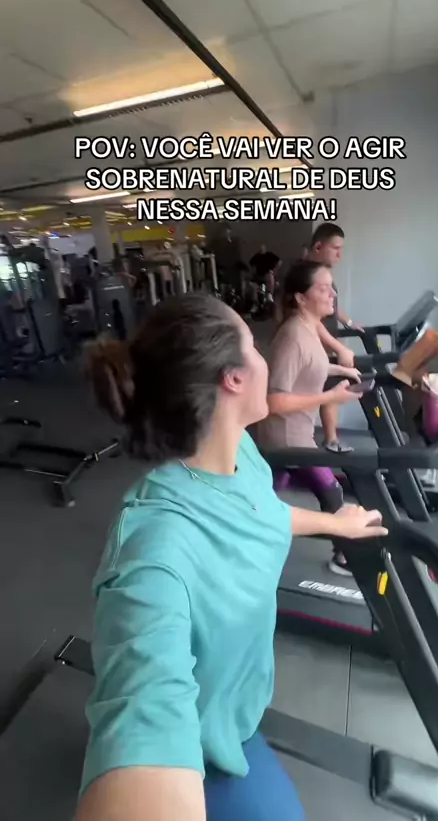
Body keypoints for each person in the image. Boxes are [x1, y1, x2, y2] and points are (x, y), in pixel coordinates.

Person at [75, 293, 387, 821]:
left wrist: (337, 523)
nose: (265, 357)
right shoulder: (152, 557)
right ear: (234, 378)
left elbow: (259, 512)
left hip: (236, 709)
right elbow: (144, 703)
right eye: (255, 347)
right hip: (199, 742)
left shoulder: (239, 451)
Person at [257, 260, 364, 575]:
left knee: (267, 491)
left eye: (332, 287)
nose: (332, 294)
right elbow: (273, 401)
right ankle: (345, 556)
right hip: (287, 438)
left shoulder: (307, 327)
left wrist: (341, 369)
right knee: (330, 490)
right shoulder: (293, 336)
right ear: (301, 298)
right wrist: (330, 398)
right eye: (323, 288)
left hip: (295, 433)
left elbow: (312, 365)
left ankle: (242, 536)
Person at [306, 223, 363, 453]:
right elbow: (310, 320)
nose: (340, 255)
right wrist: (338, 347)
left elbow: (332, 305)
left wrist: (349, 322)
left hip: (326, 344)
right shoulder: (307, 277)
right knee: (326, 390)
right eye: (335, 248)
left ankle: (330, 439)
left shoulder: (323, 275)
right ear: (318, 246)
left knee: (333, 388)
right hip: (313, 346)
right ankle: (321, 442)